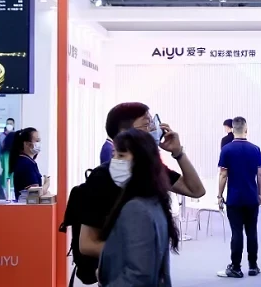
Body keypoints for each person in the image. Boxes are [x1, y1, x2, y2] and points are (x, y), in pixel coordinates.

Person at [79, 129, 178, 287]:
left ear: (141, 161)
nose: (115, 162)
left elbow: (140, 274)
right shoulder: (153, 201)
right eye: (114, 155)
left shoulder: (136, 208)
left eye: (122, 155)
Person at [77, 103, 205, 264]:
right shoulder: (101, 177)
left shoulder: (152, 170)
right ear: (125, 133)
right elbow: (87, 244)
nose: (154, 130)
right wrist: (138, 254)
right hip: (116, 270)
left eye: (153, 123)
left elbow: (196, 190)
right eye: (147, 125)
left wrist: (178, 152)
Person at [218, 116, 261, 278]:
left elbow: (223, 175)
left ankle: (236, 267)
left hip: (234, 198)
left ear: (233, 130)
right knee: (252, 232)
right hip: (251, 197)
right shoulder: (255, 149)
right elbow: (260, 174)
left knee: (236, 233)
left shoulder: (226, 150)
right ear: (246, 130)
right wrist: (260, 194)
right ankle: (253, 266)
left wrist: (219, 195)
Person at [9, 127, 43, 200]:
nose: (39, 143)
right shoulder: (26, 164)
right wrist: (47, 184)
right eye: (37, 141)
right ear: (27, 144)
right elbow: (35, 192)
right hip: (27, 205)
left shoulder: (29, 162)